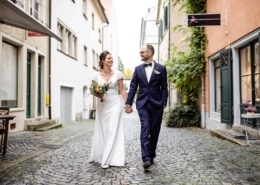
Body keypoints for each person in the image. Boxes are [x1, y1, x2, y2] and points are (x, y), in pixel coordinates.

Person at [125, 44, 168, 169]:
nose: (140, 54)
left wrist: (163, 103)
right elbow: (133, 86)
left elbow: (164, 88)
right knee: (145, 128)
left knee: (154, 131)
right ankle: (146, 158)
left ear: (150, 53)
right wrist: (128, 103)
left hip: (157, 105)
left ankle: (151, 154)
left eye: (142, 52)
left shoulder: (161, 68)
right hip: (142, 103)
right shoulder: (137, 69)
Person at [88, 51, 128, 169]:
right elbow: (93, 90)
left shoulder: (118, 74)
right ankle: (104, 155)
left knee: (112, 130)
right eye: (109, 58)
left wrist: (127, 104)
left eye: (112, 59)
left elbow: (122, 90)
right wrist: (99, 95)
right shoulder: (96, 75)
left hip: (115, 103)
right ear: (102, 61)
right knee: (104, 130)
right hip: (103, 104)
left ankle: (106, 159)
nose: (111, 60)